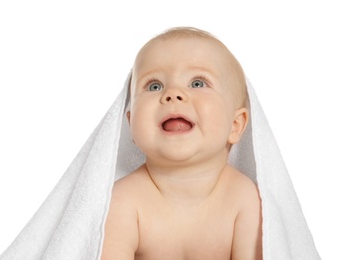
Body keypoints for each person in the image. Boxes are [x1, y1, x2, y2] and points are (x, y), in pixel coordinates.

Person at [101, 27, 262, 260]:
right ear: (131, 125)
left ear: (235, 125)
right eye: (154, 86)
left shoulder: (244, 199)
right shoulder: (123, 201)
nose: (173, 94)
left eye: (197, 83)